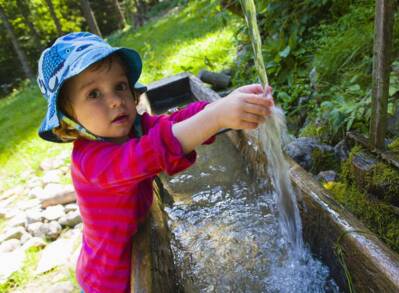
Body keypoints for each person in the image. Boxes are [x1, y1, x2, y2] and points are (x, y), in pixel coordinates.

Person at [36, 32, 273, 292]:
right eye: (94, 94)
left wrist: (221, 108)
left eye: (120, 86)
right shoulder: (91, 162)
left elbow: (174, 123)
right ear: (68, 117)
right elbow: (150, 152)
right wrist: (215, 118)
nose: (115, 100)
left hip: (132, 251)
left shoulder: (133, 129)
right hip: (112, 282)